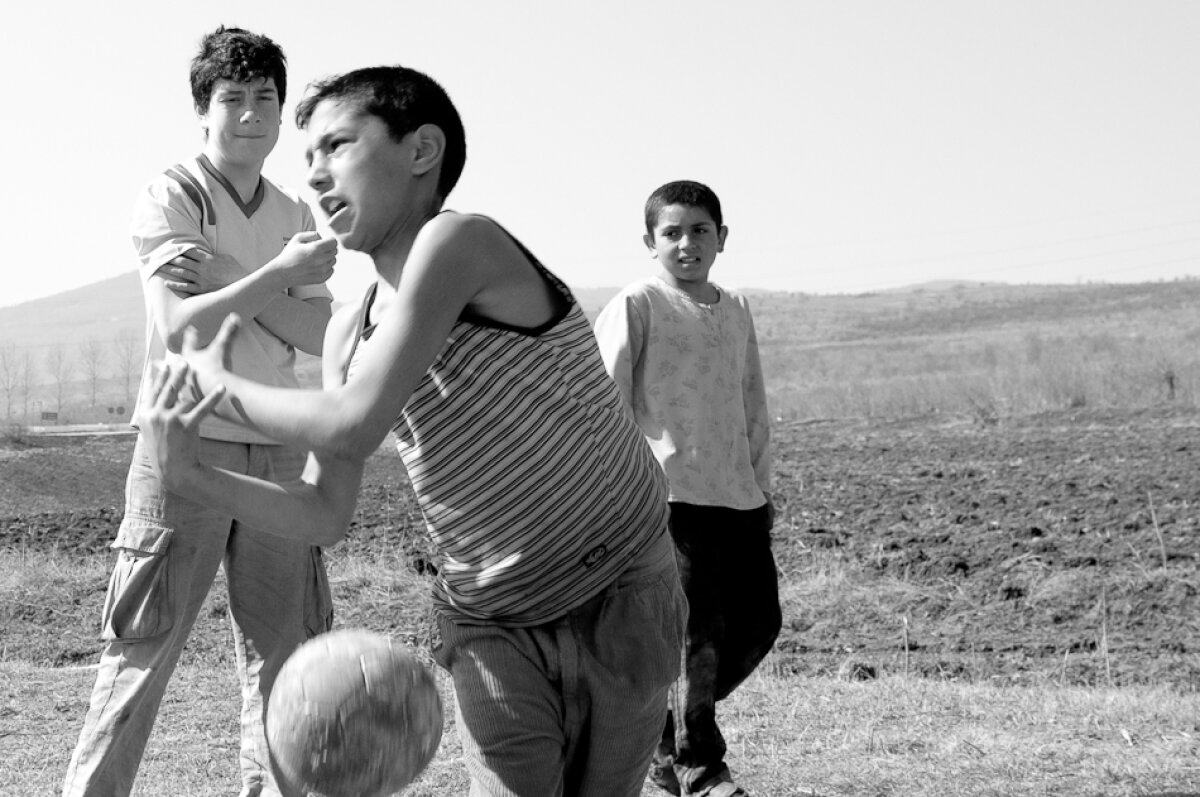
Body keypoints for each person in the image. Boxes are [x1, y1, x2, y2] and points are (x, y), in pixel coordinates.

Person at [135, 64, 687, 797]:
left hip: (621, 587)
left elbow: (353, 423)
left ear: (422, 150)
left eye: (338, 146)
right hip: (492, 620)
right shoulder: (345, 333)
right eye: (309, 158)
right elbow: (324, 512)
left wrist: (215, 390)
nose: (316, 174)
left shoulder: (462, 242)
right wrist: (194, 475)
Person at [62, 26, 337, 797]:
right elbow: (182, 326)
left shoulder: (295, 210)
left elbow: (319, 332)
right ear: (201, 109)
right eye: (232, 98)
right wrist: (278, 275)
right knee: (142, 650)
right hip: (186, 441)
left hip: (277, 445)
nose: (250, 113)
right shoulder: (174, 194)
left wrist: (230, 278)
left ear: (281, 111)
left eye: (265, 98)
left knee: (286, 656)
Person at [593, 180, 783, 797]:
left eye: (699, 230)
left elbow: (752, 401)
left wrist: (762, 486)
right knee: (693, 637)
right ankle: (698, 766)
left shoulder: (736, 308)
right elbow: (605, 404)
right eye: (671, 232)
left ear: (721, 238)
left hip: (738, 496)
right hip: (667, 499)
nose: (686, 243)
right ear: (649, 242)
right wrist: (615, 498)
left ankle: (651, 725)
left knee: (759, 623)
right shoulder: (638, 304)